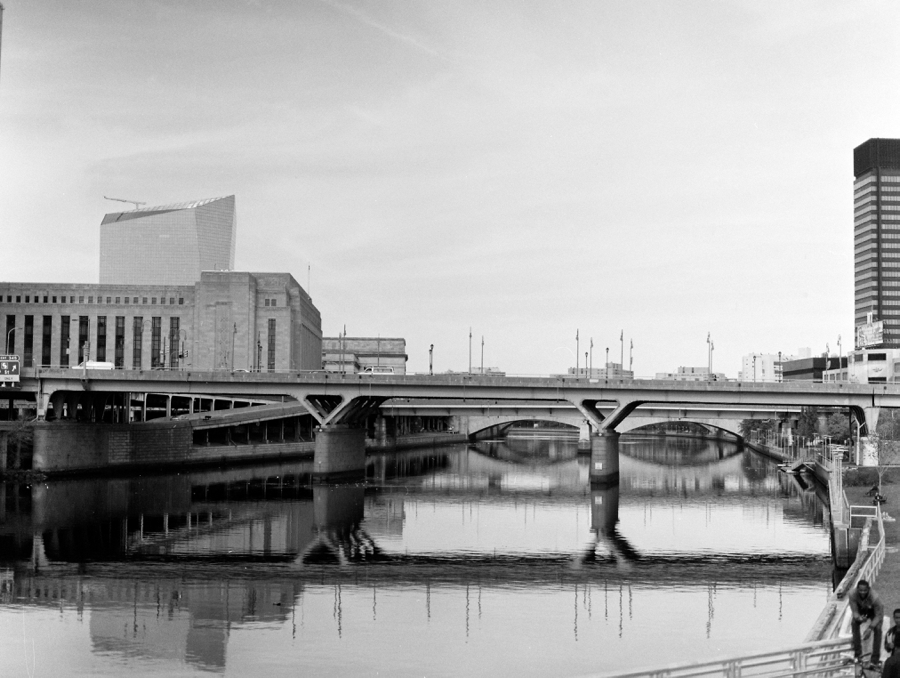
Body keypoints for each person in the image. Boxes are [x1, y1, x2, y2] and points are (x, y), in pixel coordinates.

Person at [849, 580, 884, 668]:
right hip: (861, 609)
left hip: (873, 611)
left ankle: (874, 659)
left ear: (868, 589)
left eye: (865, 590)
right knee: (854, 623)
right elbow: (855, 611)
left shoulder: (875, 597)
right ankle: (858, 654)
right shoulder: (852, 594)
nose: (862, 592)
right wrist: (859, 618)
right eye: (860, 590)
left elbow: (878, 616)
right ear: (857, 589)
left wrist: (870, 628)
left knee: (878, 629)